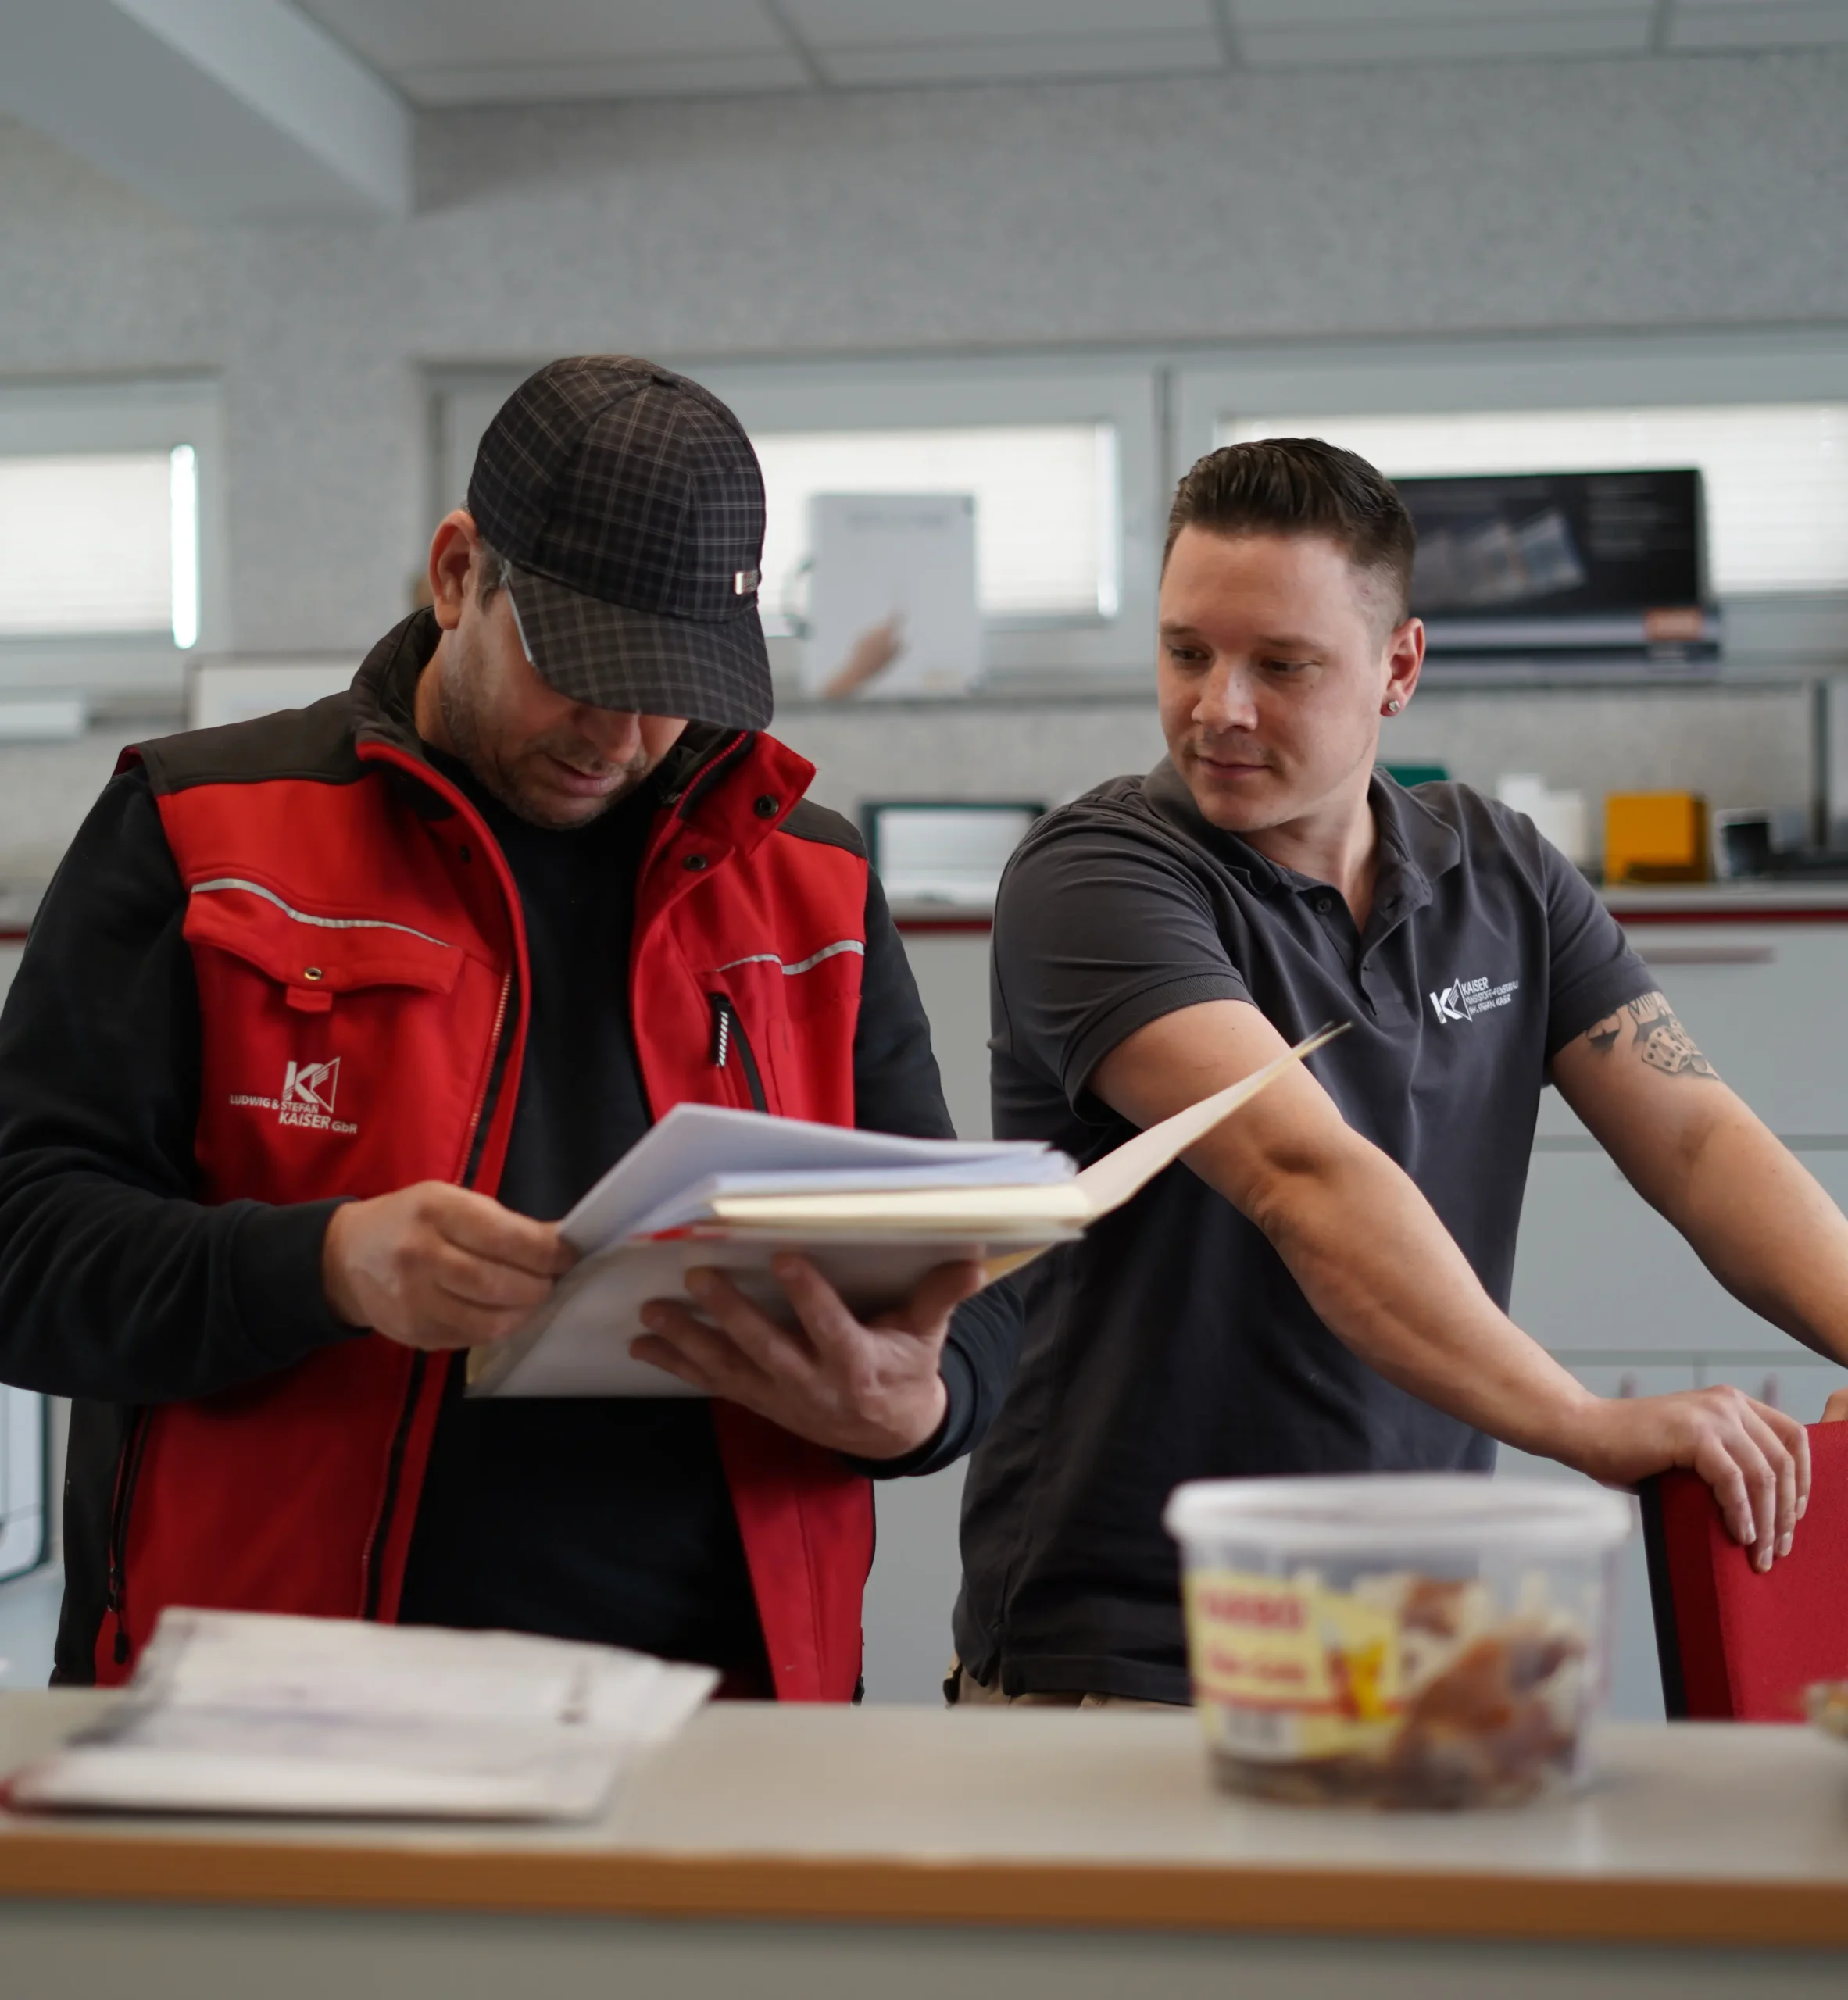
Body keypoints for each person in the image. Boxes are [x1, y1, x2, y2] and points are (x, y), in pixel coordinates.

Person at [0, 355, 1019, 1698]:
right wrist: (326, 1267)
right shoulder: (202, 832)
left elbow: (965, 1287)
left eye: (672, 682)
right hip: (277, 1708)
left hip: (734, 1719)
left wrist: (920, 1411)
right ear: (459, 573)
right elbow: (24, 1248)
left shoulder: (809, 885)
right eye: (578, 668)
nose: (622, 732)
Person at [953, 438, 1848, 1708]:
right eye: (1187, 651)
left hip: (1409, 1641)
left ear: (1399, 669)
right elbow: (1303, 1173)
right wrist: (1587, 1425)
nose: (1220, 706)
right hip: (1136, 1651)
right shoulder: (1097, 876)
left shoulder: (1502, 872)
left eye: (1282, 665)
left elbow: (1698, 1140)